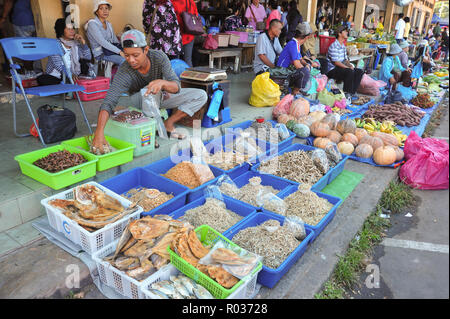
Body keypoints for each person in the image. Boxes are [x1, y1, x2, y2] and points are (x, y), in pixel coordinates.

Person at [91, 29, 207, 150]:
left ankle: (168, 123)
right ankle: (150, 132)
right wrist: (99, 132)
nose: (131, 60)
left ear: (145, 50)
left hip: (162, 95)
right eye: (126, 55)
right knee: (148, 90)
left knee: (201, 95)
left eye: (135, 55)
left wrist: (163, 83)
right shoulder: (125, 70)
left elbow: (176, 86)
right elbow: (109, 101)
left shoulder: (159, 57)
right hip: (140, 100)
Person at [37, 19, 94, 86]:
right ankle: (68, 84)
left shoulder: (76, 44)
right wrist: (70, 75)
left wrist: (84, 44)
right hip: (59, 76)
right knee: (41, 79)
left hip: (75, 74)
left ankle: (70, 84)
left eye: (73, 29)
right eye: (69, 29)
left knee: (85, 64)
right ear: (61, 30)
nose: (72, 31)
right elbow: (59, 66)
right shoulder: (55, 45)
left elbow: (87, 58)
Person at [325, 25, 364, 98]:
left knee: (359, 71)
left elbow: (345, 60)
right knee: (349, 71)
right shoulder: (334, 45)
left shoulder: (342, 45)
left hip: (340, 68)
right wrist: (348, 68)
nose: (347, 32)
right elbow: (336, 62)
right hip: (332, 70)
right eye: (345, 31)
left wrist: (350, 65)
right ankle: (347, 93)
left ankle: (352, 92)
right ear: (339, 34)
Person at [85, 0, 126, 68]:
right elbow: (102, 42)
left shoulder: (109, 24)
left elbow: (114, 41)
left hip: (110, 51)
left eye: (106, 8)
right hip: (101, 53)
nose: (105, 11)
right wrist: (119, 52)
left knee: (131, 57)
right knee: (123, 60)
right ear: (96, 12)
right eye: (101, 8)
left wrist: (123, 49)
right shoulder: (92, 24)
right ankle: (118, 78)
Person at [172, 0, 199, 67]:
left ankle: (176, 77)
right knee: (188, 59)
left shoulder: (173, 2)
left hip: (176, 34)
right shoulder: (190, 1)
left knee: (175, 60)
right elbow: (196, 15)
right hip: (189, 32)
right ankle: (190, 77)